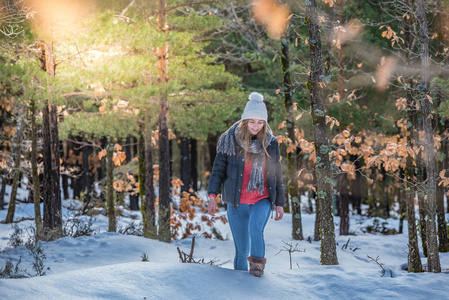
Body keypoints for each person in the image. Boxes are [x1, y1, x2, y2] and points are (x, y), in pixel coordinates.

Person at [207, 91, 285, 277]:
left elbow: (277, 175)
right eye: (252, 121)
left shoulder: (271, 143)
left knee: (255, 229)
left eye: (260, 122)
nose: (256, 126)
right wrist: (212, 196)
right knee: (241, 251)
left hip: (262, 198)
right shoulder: (229, 141)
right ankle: (240, 288)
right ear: (244, 121)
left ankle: (257, 276)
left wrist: (280, 203)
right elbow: (218, 171)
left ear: (265, 123)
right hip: (236, 202)